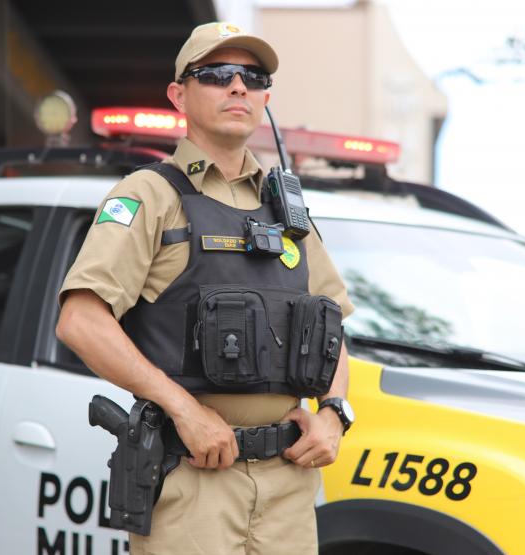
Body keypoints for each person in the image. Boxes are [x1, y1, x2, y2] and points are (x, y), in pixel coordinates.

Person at [56, 21, 355, 555]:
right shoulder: (149, 195)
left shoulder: (288, 210)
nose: (238, 87)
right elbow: (81, 320)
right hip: (193, 478)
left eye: (253, 76)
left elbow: (332, 331)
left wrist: (333, 414)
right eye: (217, 74)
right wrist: (184, 409)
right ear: (179, 95)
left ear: (266, 96)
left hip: (288, 484)